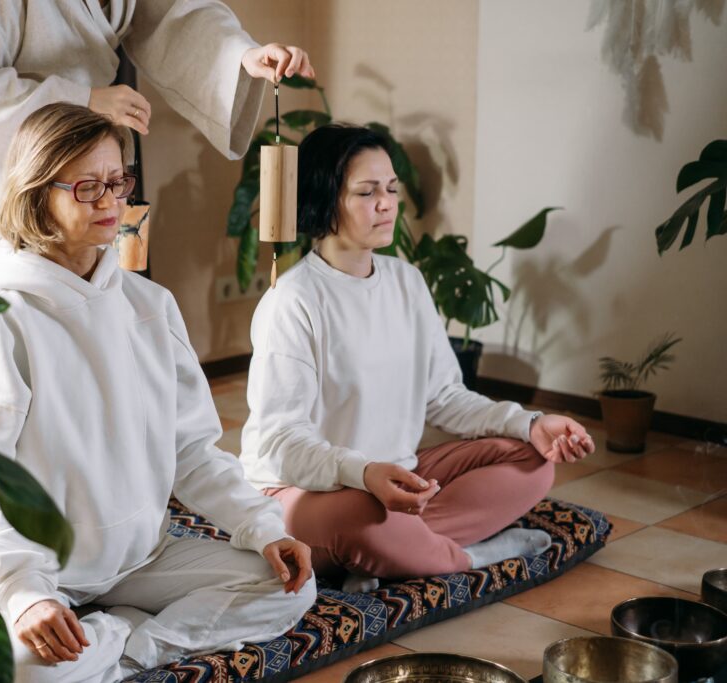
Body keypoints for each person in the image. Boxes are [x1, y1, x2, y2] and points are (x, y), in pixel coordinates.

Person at [0, 103, 316, 683]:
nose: (110, 202)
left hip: (144, 557)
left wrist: (263, 527)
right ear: (37, 193)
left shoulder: (150, 307)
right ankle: (103, 632)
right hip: (43, 570)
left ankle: (121, 645)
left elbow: (191, 451)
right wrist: (24, 596)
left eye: (118, 182)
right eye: (88, 186)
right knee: (18, 671)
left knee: (290, 585)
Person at [239, 124, 596, 591]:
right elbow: (280, 441)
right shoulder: (293, 302)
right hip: (307, 493)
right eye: (367, 192)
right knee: (360, 514)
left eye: (391, 188)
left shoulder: (406, 282)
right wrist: (363, 474)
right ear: (325, 201)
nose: (387, 203)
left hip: (397, 483)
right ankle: (469, 555)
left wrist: (531, 423)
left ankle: (392, 552)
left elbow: (445, 397)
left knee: (532, 460)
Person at [0, 0, 315, 284]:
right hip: (18, 176)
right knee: (15, 337)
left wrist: (241, 55)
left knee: (97, 327)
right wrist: (85, 99)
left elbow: (174, 14)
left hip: (96, 173)